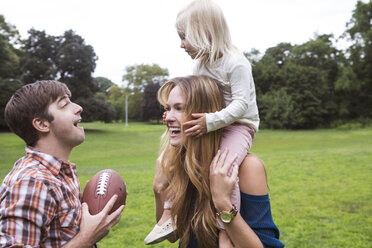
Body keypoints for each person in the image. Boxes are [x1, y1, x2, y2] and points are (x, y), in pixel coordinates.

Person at [146, 0, 260, 246]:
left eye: (185, 37)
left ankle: (225, 231)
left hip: (239, 124)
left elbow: (241, 104)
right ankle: (168, 213)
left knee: (224, 168)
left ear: (204, 33)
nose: (181, 44)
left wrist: (210, 120)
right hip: (211, 122)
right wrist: (176, 113)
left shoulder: (235, 62)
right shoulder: (200, 64)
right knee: (176, 157)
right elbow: (196, 97)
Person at [147, 75, 284, 248]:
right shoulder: (184, 164)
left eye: (179, 108)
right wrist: (159, 189)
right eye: (168, 108)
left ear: (207, 115)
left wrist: (223, 203)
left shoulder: (247, 168)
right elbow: (174, 236)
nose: (168, 118)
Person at [0, 80, 124, 248]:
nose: (78, 107)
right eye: (64, 104)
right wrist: (86, 238)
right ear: (42, 124)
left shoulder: (60, 173)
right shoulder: (33, 182)